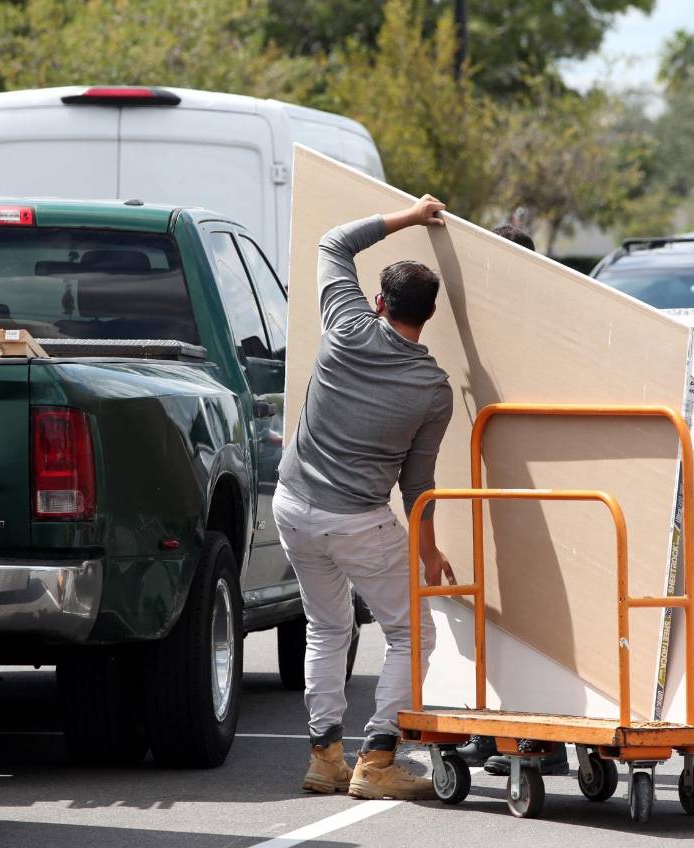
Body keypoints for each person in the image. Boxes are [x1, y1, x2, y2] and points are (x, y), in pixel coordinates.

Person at [274, 195, 457, 801]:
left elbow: (334, 242)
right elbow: (418, 484)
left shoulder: (344, 328)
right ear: (429, 316)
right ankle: (377, 760)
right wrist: (429, 553)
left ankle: (325, 757)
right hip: (357, 521)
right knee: (412, 634)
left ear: (379, 303)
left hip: (292, 505)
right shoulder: (432, 389)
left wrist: (412, 215)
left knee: (327, 627)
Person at [453, 223, 570, 779]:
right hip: (494, 488)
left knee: (535, 616)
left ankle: (543, 739)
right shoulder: (491, 319)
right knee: (494, 609)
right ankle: (495, 726)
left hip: (536, 493)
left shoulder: (544, 323)